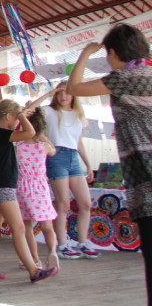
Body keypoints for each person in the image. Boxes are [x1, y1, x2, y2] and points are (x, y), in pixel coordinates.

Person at [66, 24, 152, 306]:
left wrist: (85, 54)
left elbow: (73, 87)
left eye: (107, 55)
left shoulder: (123, 78)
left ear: (114, 54)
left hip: (145, 177)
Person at [0, 99, 57, 282]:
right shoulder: (3, 133)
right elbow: (31, 132)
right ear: (10, 117)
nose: (19, 121)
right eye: (17, 117)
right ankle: (33, 270)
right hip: (3, 187)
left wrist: (22, 113)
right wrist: (22, 115)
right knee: (18, 228)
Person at [44, 85, 98, 258]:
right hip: (56, 156)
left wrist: (88, 164)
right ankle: (62, 245)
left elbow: (78, 141)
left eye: (66, 93)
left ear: (73, 95)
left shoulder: (78, 115)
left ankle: (82, 242)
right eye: (59, 93)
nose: (63, 96)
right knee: (63, 204)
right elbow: (29, 114)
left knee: (85, 203)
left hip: (74, 157)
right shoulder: (48, 112)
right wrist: (48, 93)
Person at [15, 108, 60, 274]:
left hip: (22, 186)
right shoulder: (44, 147)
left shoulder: (18, 146)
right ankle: (53, 252)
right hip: (40, 186)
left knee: (27, 226)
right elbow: (54, 150)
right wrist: (42, 136)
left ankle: (35, 259)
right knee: (47, 225)